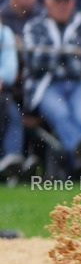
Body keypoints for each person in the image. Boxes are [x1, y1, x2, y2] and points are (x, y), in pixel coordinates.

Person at [22, 0, 81, 175]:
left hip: (80, 84)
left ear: (73, 1)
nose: (62, 5)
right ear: (47, 0)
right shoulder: (35, 25)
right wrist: (71, 54)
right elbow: (35, 62)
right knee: (60, 112)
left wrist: (56, 54)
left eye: (66, 0)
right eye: (58, 0)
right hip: (46, 86)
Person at [0, 16, 23, 180]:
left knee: (13, 115)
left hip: (2, 93)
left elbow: (10, 71)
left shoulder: (4, 33)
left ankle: (12, 162)